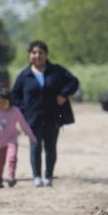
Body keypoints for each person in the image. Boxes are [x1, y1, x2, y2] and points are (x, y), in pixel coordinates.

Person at [10, 40, 79, 188]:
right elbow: (15, 95)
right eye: (34, 53)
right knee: (35, 147)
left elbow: (74, 81)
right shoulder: (24, 75)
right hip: (32, 118)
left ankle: (48, 176)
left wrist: (63, 94)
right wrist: (23, 111)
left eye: (40, 52)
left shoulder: (56, 71)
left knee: (50, 147)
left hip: (53, 116)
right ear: (29, 55)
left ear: (46, 55)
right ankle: (36, 177)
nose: (37, 55)